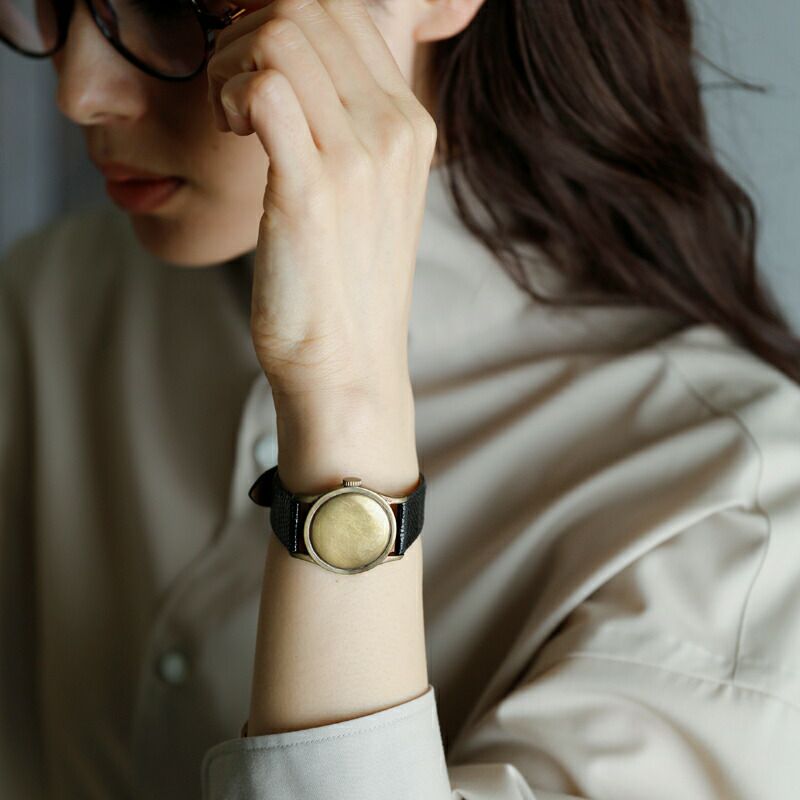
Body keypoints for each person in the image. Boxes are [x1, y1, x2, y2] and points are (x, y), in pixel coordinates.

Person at [2, 0, 800, 798]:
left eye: (169, 5)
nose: (78, 94)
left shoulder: (732, 516)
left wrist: (345, 403)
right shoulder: (49, 306)